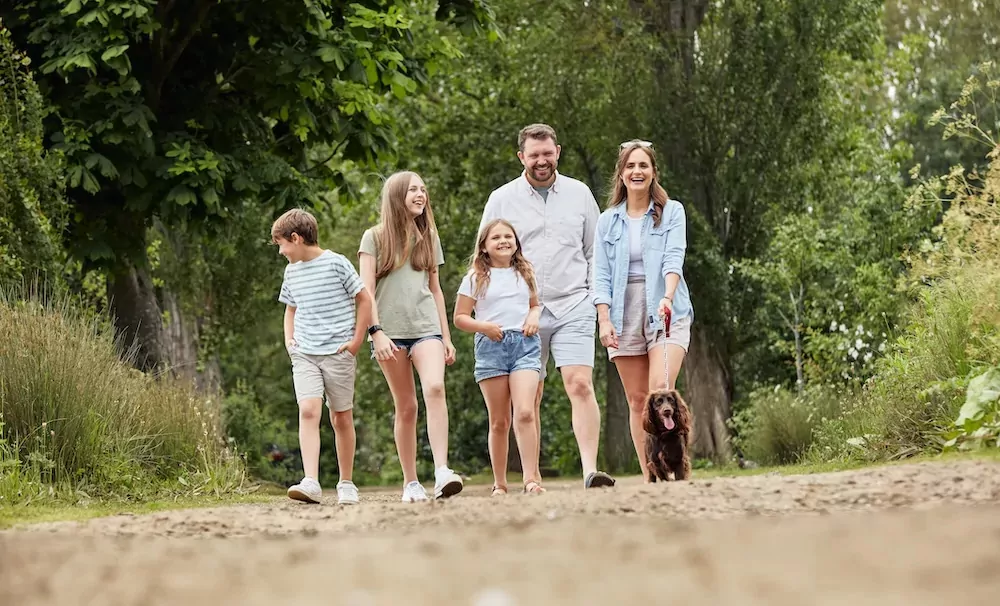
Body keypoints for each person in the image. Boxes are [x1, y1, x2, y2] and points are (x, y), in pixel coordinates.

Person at [479, 123, 615, 489]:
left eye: (547, 153)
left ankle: (590, 470)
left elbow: (594, 253)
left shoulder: (580, 193)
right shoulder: (502, 199)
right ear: (521, 156)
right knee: (530, 394)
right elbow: (485, 257)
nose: (542, 160)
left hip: (574, 304)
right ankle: (531, 476)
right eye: (534, 154)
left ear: (558, 151)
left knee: (580, 384)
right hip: (521, 314)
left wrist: (596, 302)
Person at [358, 170, 464, 502]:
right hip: (389, 333)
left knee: (434, 387)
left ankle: (442, 470)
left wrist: (446, 337)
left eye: (423, 189)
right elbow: (366, 292)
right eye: (413, 189)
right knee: (406, 406)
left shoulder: (429, 236)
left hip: (426, 328)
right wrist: (375, 333)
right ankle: (410, 482)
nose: (421, 194)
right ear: (396, 196)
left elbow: (435, 290)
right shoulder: (373, 238)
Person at [592, 139, 694, 482]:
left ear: (653, 172)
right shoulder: (607, 222)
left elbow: (673, 256)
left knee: (661, 389)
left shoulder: (671, 211)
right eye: (631, 166)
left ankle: (675, 469)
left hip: (667, 307)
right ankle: (651, 476)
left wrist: (667, 295)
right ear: (621, 174)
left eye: (643, 166)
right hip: (623, 313)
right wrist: (604, 319)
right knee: (639, 402)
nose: (637, 171)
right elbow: (601, 275)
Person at [272, 208, 373, 505]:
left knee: (340, 417)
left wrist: (356, 341)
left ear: (296, 238)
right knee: (308, 410)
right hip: (305, 353)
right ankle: (311, 481)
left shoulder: (337, 264)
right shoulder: (291, 272)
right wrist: (290, 341)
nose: (280, 251)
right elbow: (290, 308)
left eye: (281, 244)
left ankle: (346, 482)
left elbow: (364, 299)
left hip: (338, 353)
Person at [454, 219, 545, 496]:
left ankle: (531, 480)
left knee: (526, 412)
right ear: (484, 246)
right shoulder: (475, 278)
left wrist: (533, 316)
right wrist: (484, 327)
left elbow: (535, 306)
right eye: (496, 237)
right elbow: (459, 318)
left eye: (508, 236)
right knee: (499, 421)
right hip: (491, 346)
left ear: (516, 242)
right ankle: (500, 484)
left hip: (525, 345)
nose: (503, 241)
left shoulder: (526, 273)